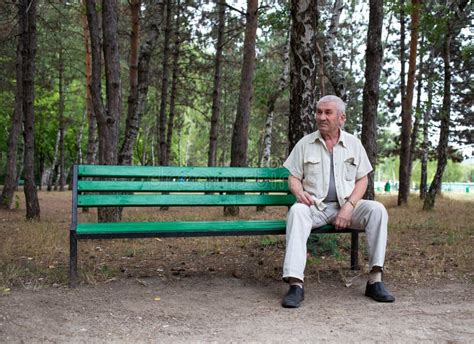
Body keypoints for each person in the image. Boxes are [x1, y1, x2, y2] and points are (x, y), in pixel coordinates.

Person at [281, 95, 395, 308]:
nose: (321, 117)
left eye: (327, 113)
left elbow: (363, 178)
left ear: (341, 118)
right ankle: (296, 284)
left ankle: (375, 280)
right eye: (319, 112)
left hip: (347, 205)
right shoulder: (305, 144)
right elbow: (294, 176)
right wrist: (298, 193)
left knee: (377, 210)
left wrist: (349, 206)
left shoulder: (353, 143)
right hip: (315, 206)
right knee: (296, 212)